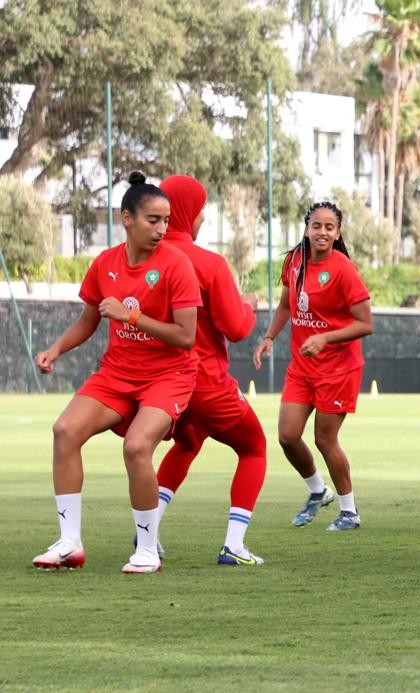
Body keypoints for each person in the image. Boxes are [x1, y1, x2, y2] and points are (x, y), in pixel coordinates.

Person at [32, 171, 200, 573]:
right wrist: (55, 349)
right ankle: (70, 543)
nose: (162, 229)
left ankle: (147, 548)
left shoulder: (177, 265)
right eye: (153, 220)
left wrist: (133, 316)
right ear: (127, 218)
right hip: (117, 373)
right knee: (64, 431)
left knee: (137, 447)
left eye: (166, 220)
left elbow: (186, 337)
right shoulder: (105, 264)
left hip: (169, 375)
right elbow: (88, 322)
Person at [151, 174, 268, 566]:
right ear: (188, 213)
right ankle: (234, 544)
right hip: (205, 382)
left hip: (160, 385)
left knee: (187, 443)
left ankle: (147, 536)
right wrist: (248, 305)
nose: (202, 220)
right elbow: (236, 328)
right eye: (200, 212)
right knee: (254, 447)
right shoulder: (208, 262)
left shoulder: (142, 257)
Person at [252, 201, 373, 531]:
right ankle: (318, 491)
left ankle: (349, 511)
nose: (322, 232)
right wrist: (269, 338)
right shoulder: (294, 261)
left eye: (329, 227)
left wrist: (326, 338)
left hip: (339, 368)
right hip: (302, 368)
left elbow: (365, 324)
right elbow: (284, 305)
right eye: (317, 226)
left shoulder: (344, 270)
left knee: (324, 440)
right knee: (287, 436)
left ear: (338, 233)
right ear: (306, 228)